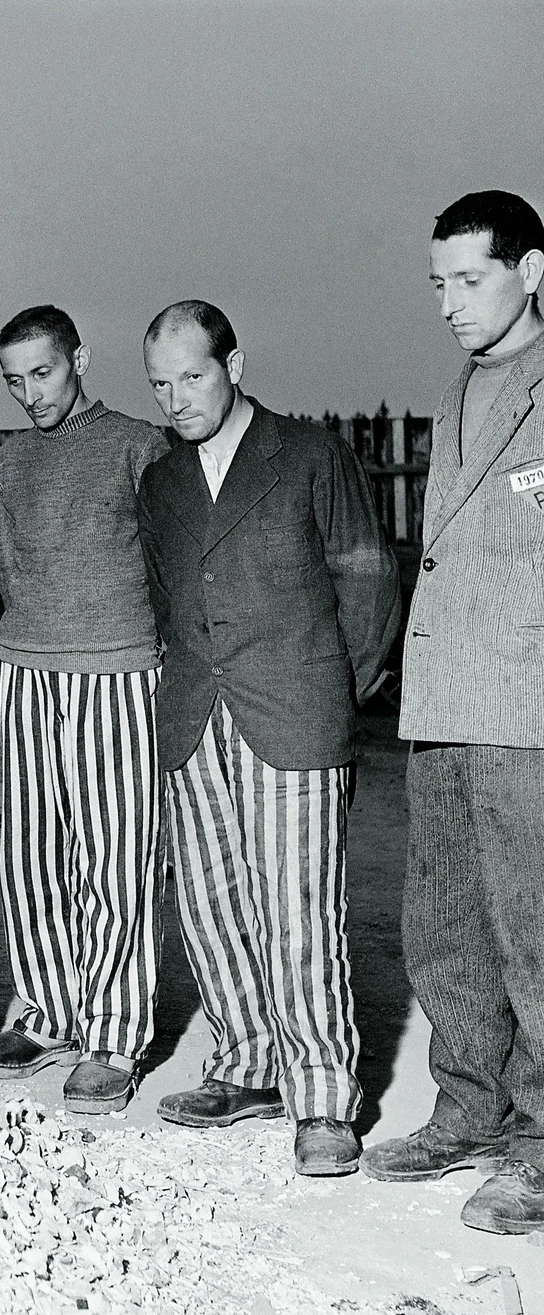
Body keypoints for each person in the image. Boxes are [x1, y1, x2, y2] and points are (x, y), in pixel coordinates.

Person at [138, 301, 400, 1176]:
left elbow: (368, 586)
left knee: (299, 914)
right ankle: (246, 1062)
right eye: (161, 384)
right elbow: (165, 595)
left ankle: (323, 1098)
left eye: (194, 376)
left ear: (236, 363)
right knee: (212, 906)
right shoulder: (161, 482)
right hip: (192, 719)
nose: (177, 399)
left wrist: (330, 692)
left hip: (293, 713)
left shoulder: (312, 457)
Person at [361, 191, 544, 1234]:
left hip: (523, 702)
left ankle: (536, 1144)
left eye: (468, 279)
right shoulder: (460, 388)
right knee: (444, 928)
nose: (448, 302)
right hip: (441, 700)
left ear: (532, 270)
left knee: (534, 933)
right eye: (438, 283)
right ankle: (467, 1108)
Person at [0, 305, 169, 1114]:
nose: (31, 393)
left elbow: (168, 565)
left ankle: (115, 1034)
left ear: (80, 358)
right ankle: (49, 1009)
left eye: (44, 373)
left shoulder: (138, 444)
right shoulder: (8, 461)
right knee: (31, 855)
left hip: (121, 667)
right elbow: (7, 571)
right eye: (15, 380)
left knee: (116, 854)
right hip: (29, 669)